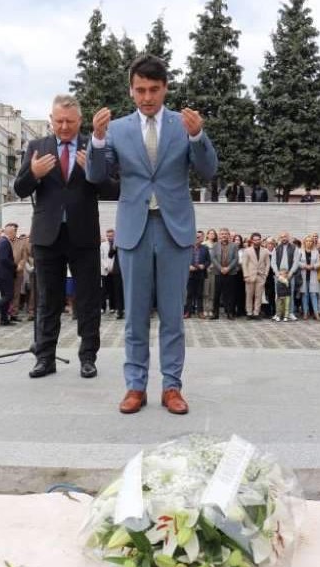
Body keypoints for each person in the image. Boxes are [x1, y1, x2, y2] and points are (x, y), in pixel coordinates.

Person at [87, 54, 218, 415]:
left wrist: (198, 136)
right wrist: (96, 141)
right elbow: (97, 177)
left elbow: (208, 170)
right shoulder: (117, 129)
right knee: (136, 315)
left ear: (165, 89)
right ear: (131, 90)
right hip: (134, 230)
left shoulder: (183, 124)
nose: (147, 97)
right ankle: (135, 386)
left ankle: (172, 387)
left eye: (154, 90)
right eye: (141, 90)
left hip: (174, 228)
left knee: (174, 315)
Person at [14, 94, 113, 379]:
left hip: (83, 235)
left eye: (70, 121)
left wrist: (92, 172)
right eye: (59, 121)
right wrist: (32, 173)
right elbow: (19, 189)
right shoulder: (36, 147)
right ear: (51, 120)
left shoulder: (92, 146)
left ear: (80, 121)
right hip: (48, 236)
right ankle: (45, 358)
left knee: (88, 299)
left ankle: (88, 357)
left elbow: (112, 190)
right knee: (48, 299)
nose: (65, 127)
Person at [0, 223, 18, 327]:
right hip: (5, 274)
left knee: (6, 296)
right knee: (9, 295)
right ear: (11, 232)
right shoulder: (5, 242)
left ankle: (4, 319)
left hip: (0, 273)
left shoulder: (1, 241)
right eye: (15, 231)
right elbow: (4, 259)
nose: (15, 233)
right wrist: (14, 265)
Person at [208, 229, 238, 320]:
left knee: (229, 294)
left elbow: (235, 259)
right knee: (216, 294)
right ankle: (215, 314)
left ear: (228, 235)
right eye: (222, 234)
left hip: (230, 272)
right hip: (218, 272)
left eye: (225, 234)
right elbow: (213, 258)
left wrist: (228, 268)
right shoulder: (215, 245)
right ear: (219, 235)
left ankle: (230, 313)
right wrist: (221, 268)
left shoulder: (234, 246)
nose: (224, 235)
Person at [271, 232, 300, 321]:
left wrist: (290, 273)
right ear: (280, 238)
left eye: (285, 236)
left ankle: (290, 313)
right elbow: (273, 262)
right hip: (278, 276)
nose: (284, 238)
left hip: (290, 275)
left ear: (288, 237)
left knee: (290, 294)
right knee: (278, 295)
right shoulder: (276, 248)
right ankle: (278, 313)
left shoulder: (294, 248)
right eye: (282, 237)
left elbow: (296, 262)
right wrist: (277, 274)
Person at [241, 233, 270, 320]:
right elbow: (244, 264)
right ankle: (249, 312)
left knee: (259, 295)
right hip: (250, 276)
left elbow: (267, 263)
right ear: (252, 240)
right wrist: (246, 275)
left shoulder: (265, 251)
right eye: (255, 239)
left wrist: (265, 274)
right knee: (249, 295)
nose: (257, 241)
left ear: (260, 240)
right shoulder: (247, 250)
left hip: (261, 276)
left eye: (258, 239)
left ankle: (256, 312)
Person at [100, 229, 124, 319]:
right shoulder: (110, 245)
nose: (110, 237)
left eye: (112, 236)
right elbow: (109, 255)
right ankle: (117, 310)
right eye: (108, 236)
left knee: (118, 290)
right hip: (112, 270)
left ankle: (118, 308)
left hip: (120, 270)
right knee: (109, 290)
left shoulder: (121, 243)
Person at [186, 231, 210, 319]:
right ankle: (187, 312)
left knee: (200, 294)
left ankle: (200, 312)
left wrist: (204, 265)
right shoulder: (188, 248)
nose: (197, 238)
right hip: (190, 274)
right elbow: (183, 260)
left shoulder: (205, 248)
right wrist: (188, 266)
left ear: (202, 238)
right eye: (196, 237)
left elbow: (208, 261)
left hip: (200, 274)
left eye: (199, 237)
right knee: (189, 294)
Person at [297, 235, 320, 320]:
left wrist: (313, 266)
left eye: (310, 241)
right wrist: (305, 266)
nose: (309, 242)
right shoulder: (300, 251)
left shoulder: (316, 252)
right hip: (303, 275)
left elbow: (319, 264)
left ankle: (316, 313)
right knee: (305, 295)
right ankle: (305, 313)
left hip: (313, 275)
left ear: (313, 242)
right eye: (307, 241)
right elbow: (297, 262)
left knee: (313, 294)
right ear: (304, 242)